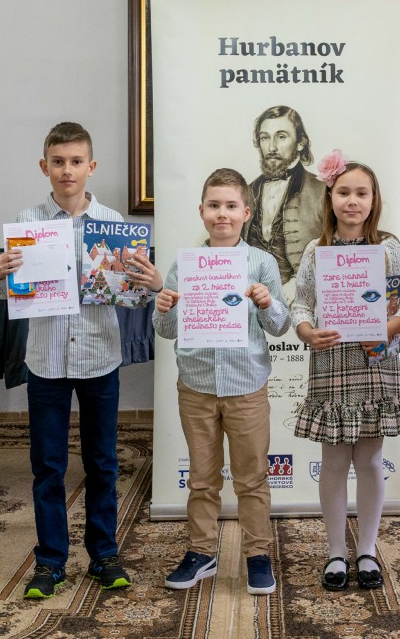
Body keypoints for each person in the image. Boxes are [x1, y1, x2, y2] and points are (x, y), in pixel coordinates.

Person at [0, 122, 162, 599]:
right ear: (44, 166)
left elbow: (133, 295)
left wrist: (146, 282)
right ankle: (50, 561)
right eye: (59, 162)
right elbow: (9, 292)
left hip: (99, 358)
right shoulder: (27, 223)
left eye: (76, 161)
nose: (68, 170)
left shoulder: (113, 224)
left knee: (102, 463)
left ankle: (104, 554)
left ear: (91, 166)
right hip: (45, 360)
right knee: (47, 465)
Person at [153, 168, 290, 595]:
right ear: (202, 211)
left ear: (246, 212)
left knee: (252, 478)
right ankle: (201, 552)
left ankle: (257, 554)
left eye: (231, 206)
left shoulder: (262, 263)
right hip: (196, 386)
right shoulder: (185, 265)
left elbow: (281, 326)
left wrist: (267, 304)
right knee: (201, 478)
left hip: (246, 386)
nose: (222, 214)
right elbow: (166, 330)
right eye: (214, 206)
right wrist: (163, 307)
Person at [290, 150, 400, 591]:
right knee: (332, 462)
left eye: (361, 193)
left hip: (374, 364)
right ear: (330, 198)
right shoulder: (316, 251)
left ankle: (366, 549)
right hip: (330, 362)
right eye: (344, 192)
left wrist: (388, 328)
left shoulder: (388, 250)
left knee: (369, 460)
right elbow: (301, 304)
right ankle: (335, 552)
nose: (352, 201)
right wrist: (307, 331)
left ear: (374, 200)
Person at [242, 105, 326, 294]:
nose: (271, 147)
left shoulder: (322, 190)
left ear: (300, 143)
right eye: (265, 138)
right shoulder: (246, 192)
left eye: (281, 137)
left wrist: (298, 283)